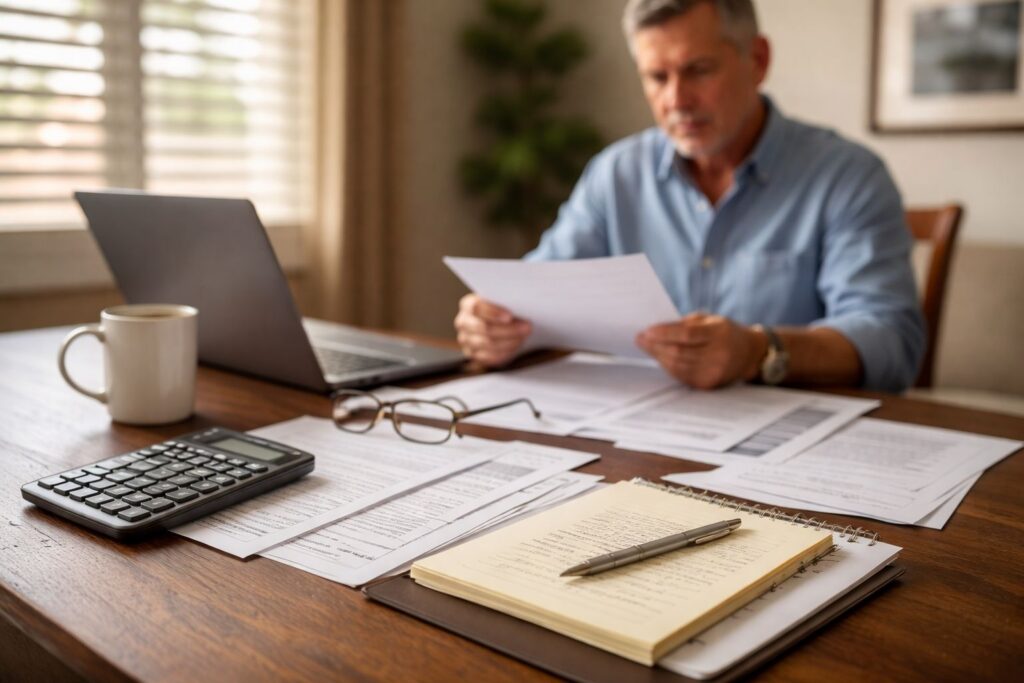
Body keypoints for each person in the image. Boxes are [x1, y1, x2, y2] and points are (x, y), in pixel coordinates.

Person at [453, 0, 925, 393]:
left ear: (758, 60)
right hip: (634, 435)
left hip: (797, 445)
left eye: (698, 71)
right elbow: (535, 293)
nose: (676, 100)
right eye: (657, 77)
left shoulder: (849, 177)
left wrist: (756, 351)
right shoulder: (615, 174)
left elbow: (891, 342)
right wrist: (494, 323)